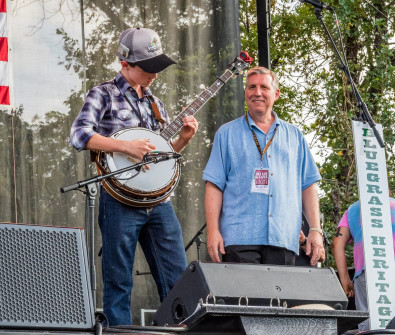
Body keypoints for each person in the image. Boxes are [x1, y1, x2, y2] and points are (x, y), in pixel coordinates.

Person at [70, 27, 198, 326]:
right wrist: (124, 146)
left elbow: (158, 158)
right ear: (125, 63)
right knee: (118, 284)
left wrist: (183, 141)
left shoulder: (156, 103)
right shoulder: (103, 94)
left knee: (179, 280)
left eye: (157, 66)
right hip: (119, 202)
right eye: (148, 67)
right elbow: (79, 135)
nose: (155, 74)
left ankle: (179, 330)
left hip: (159, 202)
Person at [203, 66, 324, 267]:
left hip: (283, 236)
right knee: (243, 299)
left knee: (280, 299)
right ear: (245, 94)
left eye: (263, 87)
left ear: (276, 94)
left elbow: (308, 185)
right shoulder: (226, 134)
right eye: (251, 87)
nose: (257, 92)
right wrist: (213, 231)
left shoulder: (295, 136)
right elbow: (214, 185)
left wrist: (315, 230)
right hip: (239, 236)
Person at [332, 196, 395, 331]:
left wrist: (345, 280)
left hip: (366, 274)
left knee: (368, 328)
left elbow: (337, 243)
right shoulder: (393, 205)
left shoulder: (354, 209)